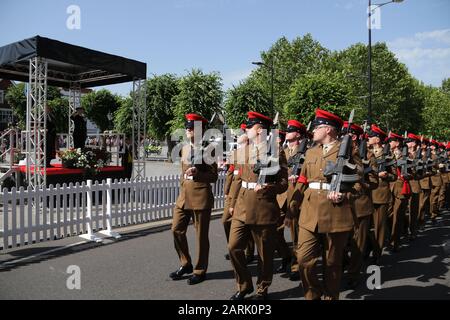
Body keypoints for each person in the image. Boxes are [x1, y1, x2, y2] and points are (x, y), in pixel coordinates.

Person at [294, 109, 361, 300]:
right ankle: (313, 294)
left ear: (329, 130)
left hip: (335, 211)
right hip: (309, 211)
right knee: (304, 260)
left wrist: (343, 195)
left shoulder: (348, 150)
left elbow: (359, 182)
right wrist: (294, 202)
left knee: (332, 263)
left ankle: (331, 296)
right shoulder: (310, 151)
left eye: (317, 127)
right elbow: (303, 179)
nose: (313, 130)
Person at [228, 111, 288, 300]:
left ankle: (262, 289)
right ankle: (244, 284)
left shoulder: (276, 151)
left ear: (260, 129)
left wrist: (269, 188)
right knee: (234, 247)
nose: (246, 129)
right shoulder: (243, 150)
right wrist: (231, 202)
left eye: (250, 126)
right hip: (242, 205)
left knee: (264, 254)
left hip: (263, 206)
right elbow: (238, 179)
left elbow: (284, 183)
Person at [170, 113, 218, 285]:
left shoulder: (209, 149)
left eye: (192, 127)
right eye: (187, 127)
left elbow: (214, 176)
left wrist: (198, 174)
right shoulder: (184, 148)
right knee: (176, 229)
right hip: (184, 197)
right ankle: (186, 263)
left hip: (200, 197)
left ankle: (200, 269)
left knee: (200, 237)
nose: (188, 130)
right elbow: (182, 173)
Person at [276, 119, 306, 281]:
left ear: (298, 134)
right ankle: (286, 255)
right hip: (281, 197)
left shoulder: (306, 152)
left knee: (296, 235)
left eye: (290, 130)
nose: (286, 133)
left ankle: (297, 265)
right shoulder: (283, 151)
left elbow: (310, 174)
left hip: (296, 197)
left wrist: (299, 177)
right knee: (275, 231)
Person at [368, 125, 396, 255]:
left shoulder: (387, 155)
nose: (369, 138)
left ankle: (377, 252)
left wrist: (385, 175)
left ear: (378, 139)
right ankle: (365, 249)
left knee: (379, 225)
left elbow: (394, 175)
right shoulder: (365, 152)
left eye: (371, 136)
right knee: (366, 226)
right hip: (366, 193)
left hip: (380, 193)